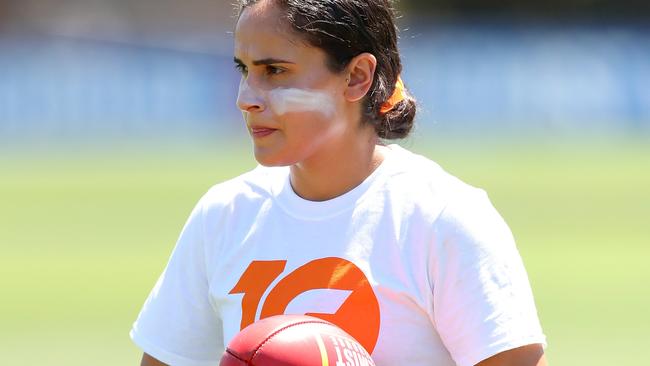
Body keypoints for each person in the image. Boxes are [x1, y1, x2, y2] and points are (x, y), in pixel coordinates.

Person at [130, 1, 547, 365]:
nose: (246, 97)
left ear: (356, 77)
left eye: (275, 70)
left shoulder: (442, 219)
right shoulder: (224, 214)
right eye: (244, 69)